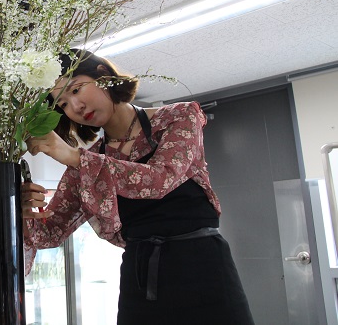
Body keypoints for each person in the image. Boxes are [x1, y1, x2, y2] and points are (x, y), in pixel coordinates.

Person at [22, 49, 254, 324]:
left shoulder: (178, 118)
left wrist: (75, 157)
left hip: (204, 269)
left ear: (103, 76)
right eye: (63, 104)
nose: (76, 106)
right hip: (140, 280)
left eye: (76, 89)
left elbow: (160, 179)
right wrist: (23, 209)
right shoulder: (85, 162)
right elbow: (49, 233)